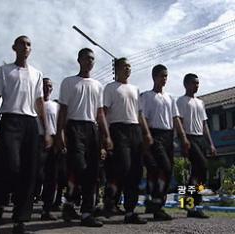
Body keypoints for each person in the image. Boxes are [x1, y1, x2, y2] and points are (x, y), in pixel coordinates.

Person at [0, 35, 52, 234]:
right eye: (22, 43)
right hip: (10, 121)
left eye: (29, 44)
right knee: (11, 165)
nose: (25, 46)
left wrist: (47, 130)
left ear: (31, 49)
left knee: (29, 170)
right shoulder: (4, 71)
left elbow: (39, 103)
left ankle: (20, 219)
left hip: (30, 123)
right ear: (14, 47)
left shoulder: (37, 74)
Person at [56, 48, 113, 227]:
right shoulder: (68, 82)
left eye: (93, 59)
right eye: (87, 58)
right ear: (79, 60)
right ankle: (71, 204)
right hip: (74, 127)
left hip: (92, 129)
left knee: (93, 171)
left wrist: (106, 136)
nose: (90, 61)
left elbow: (100, 113)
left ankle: (86, 212)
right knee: (80, 168)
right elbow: (63, 110)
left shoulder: (97, 86)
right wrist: (59, 134)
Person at [103, 58, 153, 224]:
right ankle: (110, 197)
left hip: (135, 130)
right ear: (116, 69)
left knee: (136, 171)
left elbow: (139, 114)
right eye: (125, 66)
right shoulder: (110, 88)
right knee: (123, 166)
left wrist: (146, 133)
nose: (128, 69)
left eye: (129, 66)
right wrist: (106, 136)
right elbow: (103, 112)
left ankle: (130, 211)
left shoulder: (135, 89)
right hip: (117, 129)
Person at [141, 64, 190, 221]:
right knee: (164, 167)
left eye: (166, 76)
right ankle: (157, 204)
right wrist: (147, 135)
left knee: (165, 170)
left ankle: (155, 202)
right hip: (154, 134)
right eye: (162, 76)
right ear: (154, 77)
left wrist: (183, 138)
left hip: (168, 136)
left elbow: (176, 119)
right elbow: (143, 118)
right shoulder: (147, 96)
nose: (164, 79)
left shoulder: (170, 98)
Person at [177, 73, 216, 218]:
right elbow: (179, 122)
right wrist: (183, 141)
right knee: (201, 165)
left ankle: (192, 205)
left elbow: (205, 124)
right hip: (189, 137)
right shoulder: (181, 101)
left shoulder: (200, 102)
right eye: (194, 83)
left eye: (198, 83)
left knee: (199, 173)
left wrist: (211, 144)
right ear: (186, 84)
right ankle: (189, 203)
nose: (197, 86)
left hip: (200, 139)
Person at [35, 77, 60, 220]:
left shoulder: (55, 106)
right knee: (36, 175)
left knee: (52, 177)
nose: (47, 88)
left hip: (52, 142)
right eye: (45, 85)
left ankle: (47, 209)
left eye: (50, 86)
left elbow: (59, 124)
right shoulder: (34, 103)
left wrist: (59, 141)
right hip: (36, 141)